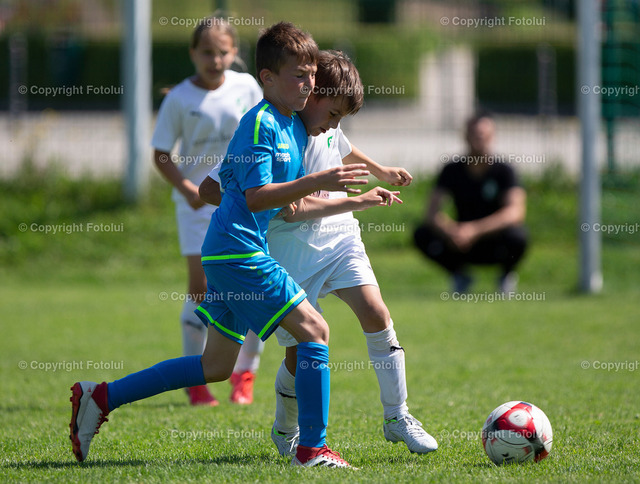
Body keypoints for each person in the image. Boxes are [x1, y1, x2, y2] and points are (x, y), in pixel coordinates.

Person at [69, 22, 401, 469]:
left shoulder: (293, 126)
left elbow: (249, 195)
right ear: (267, 78)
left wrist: (349, 197)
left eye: (311, 75)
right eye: (299, 75)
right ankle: (312, 450)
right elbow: (257, 197)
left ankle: (100, 397)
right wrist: (319, 180)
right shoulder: (261, 123)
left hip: (234, 250)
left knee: (215, 367)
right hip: (237, 251)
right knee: (315, 331)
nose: (308, 84)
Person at [151, 16, 264, 406]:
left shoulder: (247, 87)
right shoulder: (179, 98)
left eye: (222, 52)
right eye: (206, 52)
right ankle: (195, 380)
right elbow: (161, 154)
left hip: (243, 204)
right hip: (197, 208)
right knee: (200, 290)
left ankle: (244, 375)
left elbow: (264, 133)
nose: (215, 60)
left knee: (253, 287)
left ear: (234, 53)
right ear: (192, 54)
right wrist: (187, 190)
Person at [413, 113, 528, 293]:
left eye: (484, 135)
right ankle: (459, 275)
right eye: (475, 134)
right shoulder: (451, 170)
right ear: (465, 137)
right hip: (460, 243)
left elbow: (515, 212)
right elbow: (431, 212)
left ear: (493, 137)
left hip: (493, 240)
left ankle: (506, 276)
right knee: (422, 234)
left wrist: (475, 230)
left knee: (518, 236)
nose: (479, 139)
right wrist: (452, 230)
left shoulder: (505, 171)